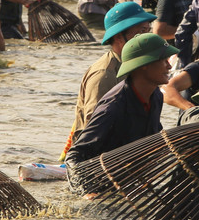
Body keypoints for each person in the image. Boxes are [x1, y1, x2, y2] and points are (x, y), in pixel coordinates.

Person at [65, 33, 178, 173]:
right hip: (103, 177)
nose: (169, 66)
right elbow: (75, 156)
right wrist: (89, 192)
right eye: (163, 60)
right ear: (144, 64)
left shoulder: (155, 96)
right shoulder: (113, 107)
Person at [69, 2, 154, 144]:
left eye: (148, 31)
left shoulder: (138, 67)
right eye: (141, 32)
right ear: (119, 37)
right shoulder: (104, 75)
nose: (147, 38)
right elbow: (95, 129)